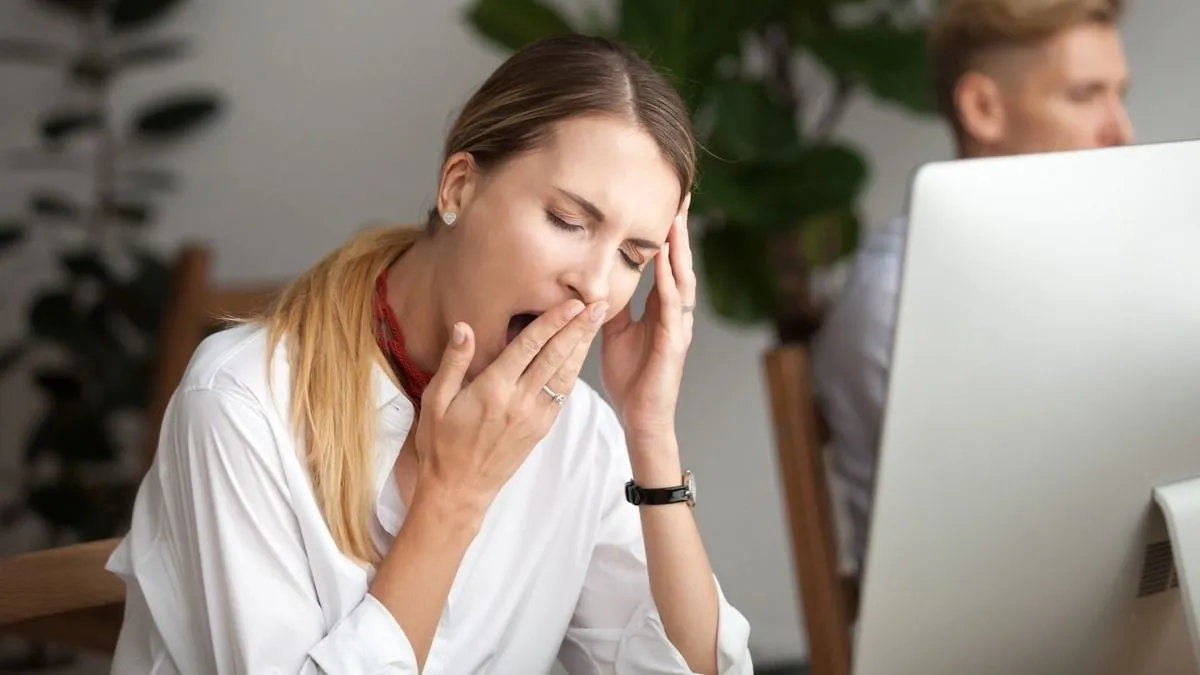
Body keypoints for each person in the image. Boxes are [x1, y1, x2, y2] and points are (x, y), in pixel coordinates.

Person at [105, 34, 753, 674]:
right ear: (459, 187)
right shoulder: (241, 403)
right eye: (567, 220)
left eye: (630, 256)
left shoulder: (579, 432)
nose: (594, 282)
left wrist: (650, 432)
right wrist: (453, 498)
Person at [812, 0, 1134, 578]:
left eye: (1120, 94)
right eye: (1085, 95)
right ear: (983, 107)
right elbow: (1021, 537)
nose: (1121, 132)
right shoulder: (903, 300)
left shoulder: (1103, 268)